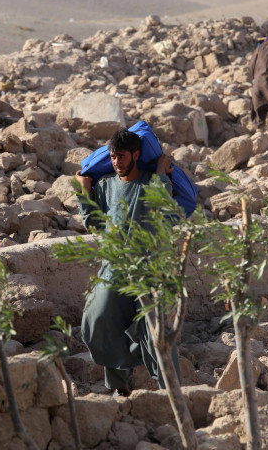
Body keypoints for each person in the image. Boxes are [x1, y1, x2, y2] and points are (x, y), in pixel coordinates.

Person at [75, 128, 180, 397]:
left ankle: (170, 391)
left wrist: (159, 174)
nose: (116, 162)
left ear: (135, 155)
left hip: (150, 268)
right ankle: (119, 386)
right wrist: (84, 195)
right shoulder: (107, 186)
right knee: (99, 318)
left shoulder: (151, 182)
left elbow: (165, 211)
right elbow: (96, 225)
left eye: (121, 156)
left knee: (154, 330)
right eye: (112, 157)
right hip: (114, 267)